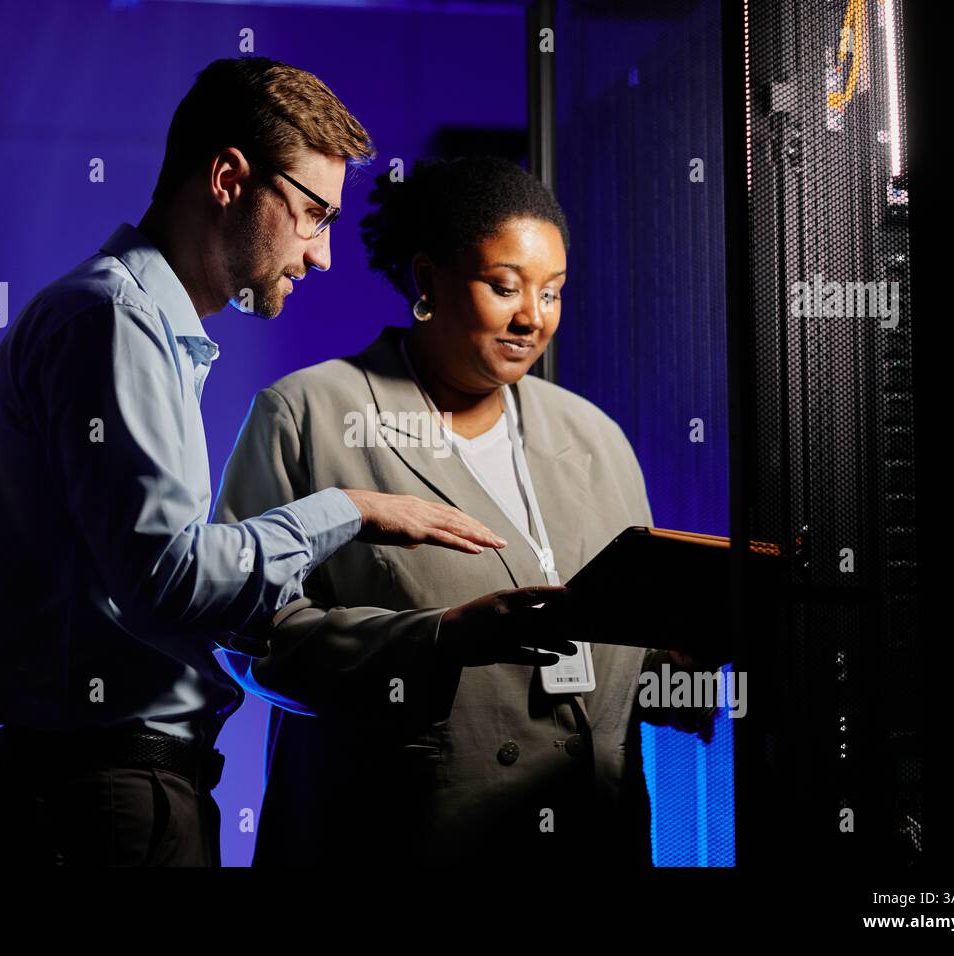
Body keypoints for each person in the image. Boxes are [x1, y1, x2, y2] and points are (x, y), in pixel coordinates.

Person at [0, 59, 512, 867]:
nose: (323, 255)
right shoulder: (113, 321)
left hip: (123, 794)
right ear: (228, 178)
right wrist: (353, 509)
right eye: (313, 215)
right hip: (108, 804)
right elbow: (168, 578)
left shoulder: (139, 325)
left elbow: (158, 593)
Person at [215, 156, 715, 866]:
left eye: (553, 293)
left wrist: (683, 664)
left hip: (587, 839)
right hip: (405, 838)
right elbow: (251, 635)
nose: (531, 319)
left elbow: (630, 673)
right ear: (427, 281)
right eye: (503, 287)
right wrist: (441, 639)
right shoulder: (308, 415)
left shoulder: (595, 438)